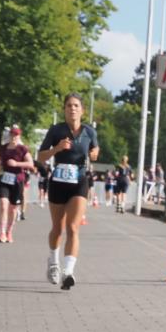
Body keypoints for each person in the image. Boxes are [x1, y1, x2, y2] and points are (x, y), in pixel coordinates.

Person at [37, 94, 99, 290]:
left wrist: (94, 153)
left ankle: (68, 272)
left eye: (76, 106)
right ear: (64, 109)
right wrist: (57, 148)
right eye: (69, 106)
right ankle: (53, 262)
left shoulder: (89, 131)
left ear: (82, 110)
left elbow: (95, 151)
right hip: (58, 182)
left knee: (73, 227)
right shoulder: (56, 130)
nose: (72, 109)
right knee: (58, 228)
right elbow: (40, 157)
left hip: (79, 181)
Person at [0, 126, 34, 243]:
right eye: (12, 135)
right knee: (3, 204)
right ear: (9, 135)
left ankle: (9, 231)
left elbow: (30, 164)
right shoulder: (3, 148)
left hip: (17, 181)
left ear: (19, 136)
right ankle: (2, 232)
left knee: (12, 209)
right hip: (4, 179)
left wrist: (16, 164)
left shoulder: (22, 149)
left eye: (16, 135)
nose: (14, 137)